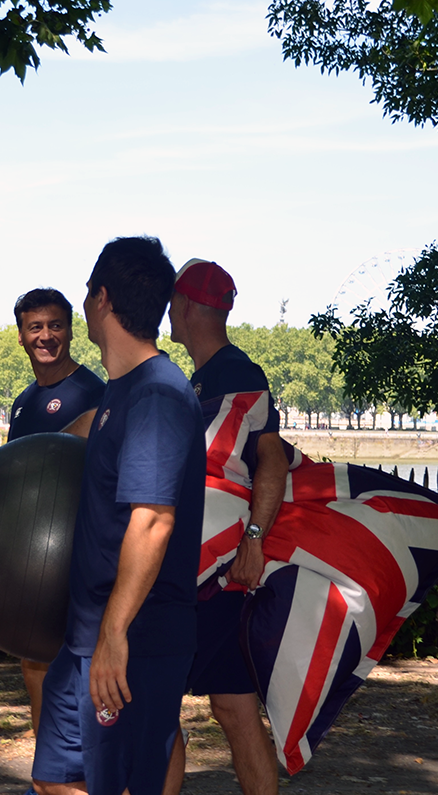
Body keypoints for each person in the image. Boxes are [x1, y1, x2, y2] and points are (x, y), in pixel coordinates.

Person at [29, 237, 205, 795]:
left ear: (101, 300)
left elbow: (153, 520)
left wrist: (113, 635)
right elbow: (82, 438)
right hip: (85, 637)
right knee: (55, 779)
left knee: (123, 785)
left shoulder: (157, 396)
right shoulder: (122, 391)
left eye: (85, 291)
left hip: (132, 637)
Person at [0, 287, 105, 735]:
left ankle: (91, 772)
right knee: (35, 666)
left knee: (85, 674)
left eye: (55, 325)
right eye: (36, 327)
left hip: (79, 557)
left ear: (70, 331)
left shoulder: (93, 391)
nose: (46, 336)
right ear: (20, 336)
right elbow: (6, 490)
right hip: (31, 568)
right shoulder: (24, 402)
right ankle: (49, 774)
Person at [163, 259, 287, 795]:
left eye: (172, 303)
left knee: (158, 701)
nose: (169, 312)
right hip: (213, 572)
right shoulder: (206, 376)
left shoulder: (234, 374)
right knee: (235, 709)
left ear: (187, 308)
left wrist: (253, 541)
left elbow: (272, 461)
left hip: (211, 575)